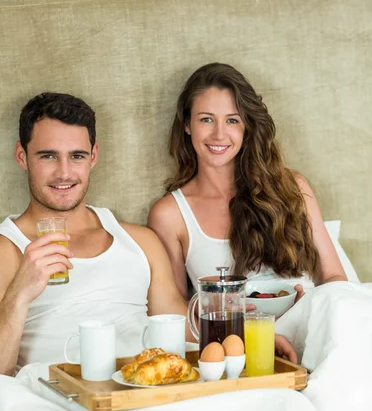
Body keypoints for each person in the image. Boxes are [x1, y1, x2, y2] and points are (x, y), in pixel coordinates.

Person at [0, 91, 296, 405]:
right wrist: (19, 294)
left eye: (77, 156)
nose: (64, 172)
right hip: (66, 404)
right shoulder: (1, 254)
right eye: (48, 156)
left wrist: (250, 341)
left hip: (150, 395)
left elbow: (183, 331)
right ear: (21, 156)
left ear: (93, 157)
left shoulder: (138, 241)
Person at [148, 62, 347, 302]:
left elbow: (335, 277)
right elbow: (176, 309)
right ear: (187, 125)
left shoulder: (292, 187)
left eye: (232, 120)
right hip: (240, 334)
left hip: (312, 318)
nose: (219, 134)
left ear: (246, 126)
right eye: (206, 120)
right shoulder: (170, 214)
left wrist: (311, 305)